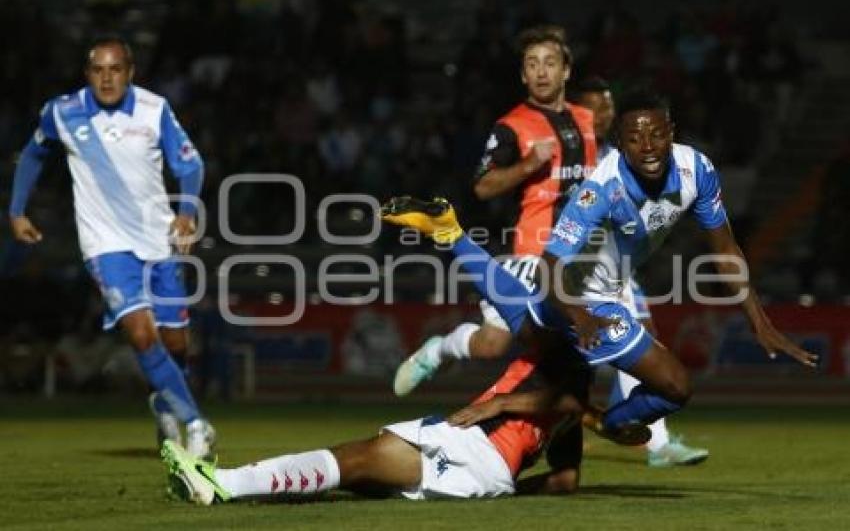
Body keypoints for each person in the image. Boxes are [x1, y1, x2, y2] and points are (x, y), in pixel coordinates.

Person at [380, 86, 817, 436]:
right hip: (581, 298)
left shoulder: (696, 170)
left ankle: (449, 234)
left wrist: (758, 321)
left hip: (589, 294)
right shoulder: (600, 189)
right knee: (676, 386)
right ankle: (610, 421)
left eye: (657, 134)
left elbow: (725, 250)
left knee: (528, 330)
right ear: (620, 145)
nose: (647, 146)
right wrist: (581, 315)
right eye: (633, 138)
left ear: (672, 131)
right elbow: (550, 265)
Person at [8, 35, 215, 457]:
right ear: (87, 74)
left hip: (158, 241)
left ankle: (166, 401)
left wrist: (188, 212)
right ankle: (196, 424)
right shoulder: (62, 112)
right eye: (98, 70)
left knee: (175, 343)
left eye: (115, 69)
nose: (106, 78)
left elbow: (190, 164)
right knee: (141, 335)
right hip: (105, 245)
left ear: (130, 72)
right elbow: (32, 155)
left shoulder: (154, 109)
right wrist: (17, 211)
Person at [162, 326, 649, 505]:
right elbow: (565, 481)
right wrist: (503, 490)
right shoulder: (572, 393)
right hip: (480, 463)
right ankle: (227, 482)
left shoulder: (566, 370)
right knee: (355, 477)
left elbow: (567, 403)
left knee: (355, 460)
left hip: (474, 448)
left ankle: (221, 484)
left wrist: (500, 405)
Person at [393, 24, 599, 397]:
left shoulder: (586, 120)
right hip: (534, 253)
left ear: (566, 71)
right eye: (532, 64)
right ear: (523, 75)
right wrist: (526, 166)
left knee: (615, 327)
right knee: (495, 345)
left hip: (586, 252)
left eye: (549, 63)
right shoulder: (512, 126)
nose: (541, 71)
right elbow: (482, 186)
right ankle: (440, 349)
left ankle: (655, 440)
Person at [570, 75, 708, 467]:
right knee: (531, 351)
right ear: (576, 113)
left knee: (646, 340)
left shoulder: (630, 150)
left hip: (617, 271)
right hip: (571, 274)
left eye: (607, 107)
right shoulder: (565, 153)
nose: (602, 115)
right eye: (593, 108)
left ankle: (656, 442)